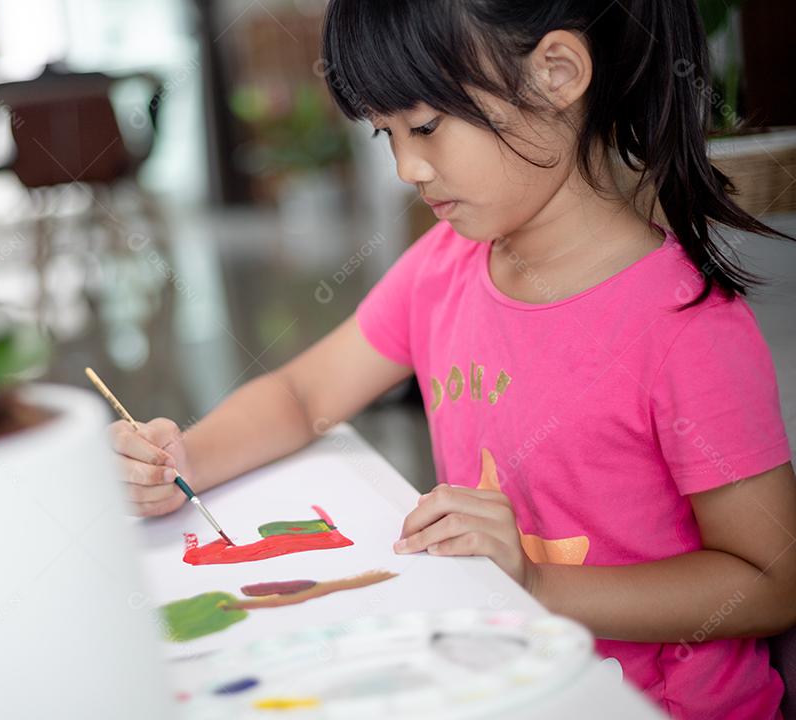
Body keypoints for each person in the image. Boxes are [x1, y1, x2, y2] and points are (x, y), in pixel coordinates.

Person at [109, 2, 796, 717]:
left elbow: (771, 583)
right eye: (387, 133)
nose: (407, 165)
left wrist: (535, 584)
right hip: (499, 680)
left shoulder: (685, 325)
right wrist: (184, 458)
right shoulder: (444, 268)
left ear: (558, 73)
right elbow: (303, 394)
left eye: (427, 126)